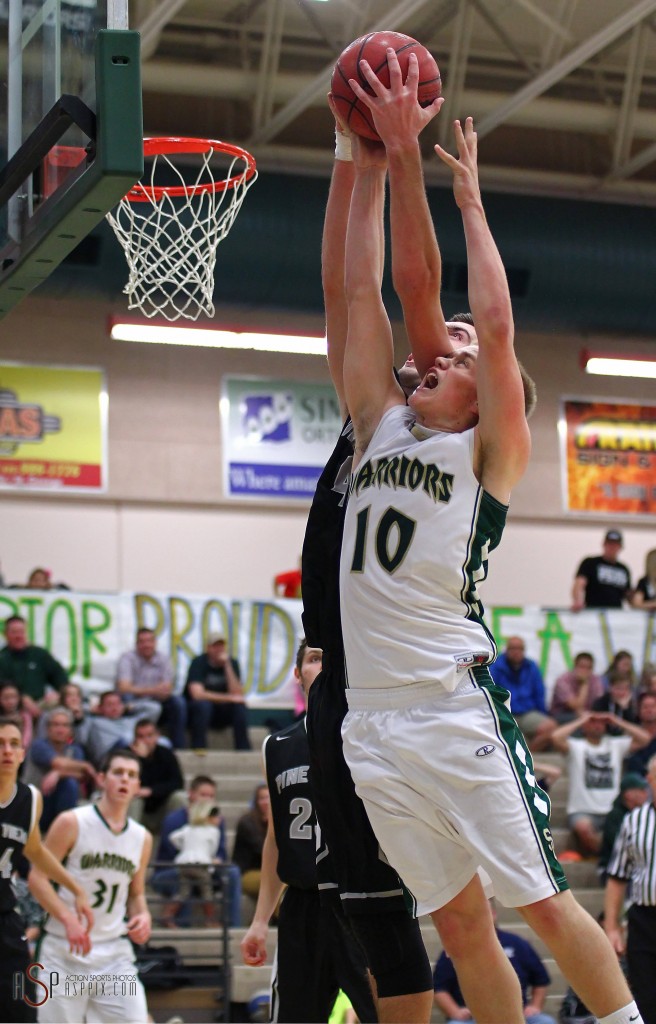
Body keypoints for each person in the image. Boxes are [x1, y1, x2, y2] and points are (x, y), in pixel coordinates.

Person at [339, 49, 642, 1024]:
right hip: (369, 723)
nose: (443, 344)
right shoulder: (380, 419)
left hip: (445, 705)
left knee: (541, 904)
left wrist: (467, 199)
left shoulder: (490, 456)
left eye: (459, 347)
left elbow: (496, 334)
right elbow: (368, 294)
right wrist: (369, 163)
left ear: (496, 392)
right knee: (460, 930)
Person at [303, 58, 460, 1023]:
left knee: (440, 913)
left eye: (446, 360)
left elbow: (403, 290)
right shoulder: (377, 425)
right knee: (361, 910)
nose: (427, 358)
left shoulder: (448, 444)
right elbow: (346, 294)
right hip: (345, 684)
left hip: (406, 689)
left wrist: (398, 159)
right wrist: (350, 158)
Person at [241, 639, 377, 1023]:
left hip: (359, 899)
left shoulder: (368, 734)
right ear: (298, 674)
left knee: (385, 1012)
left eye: (329, 658)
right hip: (302, 906)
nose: (322, 665)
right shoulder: (277, 745)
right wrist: (259, 920)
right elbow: (275, 839)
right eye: (314, 658)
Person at [29, 747, 152, 1024]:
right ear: (101, 778)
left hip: (114, 955)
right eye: (118, 772)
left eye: (131, 775)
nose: (124, 779)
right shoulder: (71, 822)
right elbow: (37, 878)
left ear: (138, 786)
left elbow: (136, 893)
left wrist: (143, 915)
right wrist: (67, 918)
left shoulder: (141, 837)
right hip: (64, 951)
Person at [0, 716, 93, 1023]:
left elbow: (35, 849)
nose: (7, 751)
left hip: (5, 917)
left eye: (14, 744)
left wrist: (76, 888)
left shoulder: (30, 799)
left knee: (22, 1009)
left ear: (24, 752)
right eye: (0, 744)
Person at [433, 901, 556, 1024]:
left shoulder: (517, 944)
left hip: (518, 1014)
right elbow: (439, 988)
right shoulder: (456, 948)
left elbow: (540, 980)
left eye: (482, 913)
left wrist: (535, 1006)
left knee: (545, 1021)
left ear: (493, 914)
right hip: (471, 1018)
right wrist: (455, 1012)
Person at [550, 711, 650, 857]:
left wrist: (616, 720)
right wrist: (581, 719)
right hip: (583, 809)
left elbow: (645, 738)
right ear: (584, 726)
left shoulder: (615, 744)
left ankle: (612, 860)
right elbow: (555, 737)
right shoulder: (575, 746)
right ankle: (608, 858)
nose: (597, 725)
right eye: (593, 722)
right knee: (583, 829)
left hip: (613, 808)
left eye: (601, 722)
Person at [604, 754, 656, 1024]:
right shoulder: (633, 821)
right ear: (650, 780)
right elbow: (617, 876)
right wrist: (612, 926)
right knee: (645, 994)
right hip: (643, 918)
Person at [152, 773, 241, 928]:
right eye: (203, 794)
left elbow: (220, 851)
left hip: (205, 867)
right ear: (191, 794)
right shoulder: (174, 820)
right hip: (173, 869)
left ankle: (233, 927)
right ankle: (181, 926)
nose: (207, 799)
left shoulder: (216, 821)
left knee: (232, 872)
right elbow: (170, 853)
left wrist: (217, 859)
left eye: (211, 796)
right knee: (186, 875)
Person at [22, 707, 97, 831]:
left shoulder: (75, 750)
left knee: (69, 784)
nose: (60, 729)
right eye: (55, 725)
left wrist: (58, 774)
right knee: (69, 782)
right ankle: (64, 831)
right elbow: (59, 763)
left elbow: (82, 775)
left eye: (65, 725)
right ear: (48, 728)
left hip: (62, 801)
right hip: (35, 803)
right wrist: (86, 765)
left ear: (71, 730)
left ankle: (65, 831)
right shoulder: (39, 745)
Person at [117, 626, 187, 749]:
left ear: (155, 642)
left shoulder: (164, 659)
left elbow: (166, 690)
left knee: (178, 702)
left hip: (156, 701)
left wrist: (139, 689)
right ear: (136, 644)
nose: (146, 645)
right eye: (142, 642)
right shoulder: (127, 658)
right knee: (127, 697)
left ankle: (179, 747)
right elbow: (124, 688)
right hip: (134, 702)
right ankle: (133, 738)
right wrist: (154, 690)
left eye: (149, 641)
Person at [184, 633, 251, 750]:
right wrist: (228, 698)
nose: (219, 649)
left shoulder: (232, 663)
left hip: (222, 712)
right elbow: (197, 694)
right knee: (204, 706)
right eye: (215, 646)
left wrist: (227, 666)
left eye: (221, 646)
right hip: (201, 711)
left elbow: (237, 694)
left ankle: (243, 749)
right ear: (208, 648)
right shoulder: (198, 663)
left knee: (239, 708)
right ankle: (199, 747)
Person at [489, 637, 556, 751]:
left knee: (550, 726)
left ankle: (529, 755)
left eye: (520, 648)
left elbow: (539, 693)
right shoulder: (496, 667)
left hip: (528, 713)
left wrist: (542, 714)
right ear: (507, 650)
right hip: (506, 713)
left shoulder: (532, 666)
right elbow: (491, 693)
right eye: (513, 648)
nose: (516, 652)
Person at [164, 798, 222, 927]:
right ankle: (210, 919)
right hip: (200, 864)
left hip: (184, 864)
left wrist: (184, 848)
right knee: (207, 891)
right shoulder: (213, 831)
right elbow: (212, 850)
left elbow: (173, 837)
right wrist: (211, 859)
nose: (219, 819)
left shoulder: (188, 828)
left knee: (183, 891)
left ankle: (168, 916)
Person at [0, 615, 66, 722]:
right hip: (13, 709)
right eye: (14, 632)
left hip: (41, 706)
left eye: (21, 631)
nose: (18, 636)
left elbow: (61, 678)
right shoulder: (2, 658)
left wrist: (57, 694)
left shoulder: (39, 654)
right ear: (6, 634)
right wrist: (22, 699)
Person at [129, 717, 185, 832]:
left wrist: (151, 791)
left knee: (179, 797)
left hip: (161, 810)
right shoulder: (127, 756)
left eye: (149, 736)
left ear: (157, 736)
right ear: (135, 739)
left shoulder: (166, 754)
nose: (145, 741)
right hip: (137, 810)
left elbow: (177, 782)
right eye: (141, 736)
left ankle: (173, 843)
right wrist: (141, 759)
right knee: (135, 800)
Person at [598, 773, 649, 881]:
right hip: (612, 869)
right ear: (628, 794)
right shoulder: (615, 816)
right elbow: (619, 844)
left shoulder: (643, 815)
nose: (645, 793)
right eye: (641, 790)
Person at [572, 531, 632, 611]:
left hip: (616, 614)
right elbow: (579, 584)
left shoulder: (623, 569)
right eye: (609, 544)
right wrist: (578, 601)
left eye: (615, 545)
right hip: (593, 611)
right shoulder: (590, 563)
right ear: (604, 544)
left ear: (620, 547)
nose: (612, 547)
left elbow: (628, 595)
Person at [232, 782, 269, 900]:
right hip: (248, 872)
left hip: (269, 871)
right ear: (256, 802)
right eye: (262, 798)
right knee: (275, 882)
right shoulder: (247, 822)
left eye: (269, 798)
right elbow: (263, 849)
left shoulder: (279, 821)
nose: (267, 802)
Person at [85, 689, 140, 768]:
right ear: (100, 707)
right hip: (107, 758)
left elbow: (153, 709)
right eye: (109, 704)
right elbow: (79, 717)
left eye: (118, 704)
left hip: (133, 752)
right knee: (126, 738)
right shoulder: (93, 722)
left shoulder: (131, 721)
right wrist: (90, 709)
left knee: (161, 741)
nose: (114, 708)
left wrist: (132, 706)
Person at [549, 652, 605, 724]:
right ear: (575, 666)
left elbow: (599, 702)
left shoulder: (596, 680)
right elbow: (576, 706)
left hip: (587, 714)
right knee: (580, 721)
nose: (585, 671)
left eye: (589, 668)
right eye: (582, 667)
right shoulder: (563, 680)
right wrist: (584, 684)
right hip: (563, 714)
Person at [624, 692, 656, 777]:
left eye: (653, 706)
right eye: (645, 707)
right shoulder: (630, 735)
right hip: (636, 783)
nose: (649, 710)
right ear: (638, 710)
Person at [0, 680, 33, 748]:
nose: (10, 701)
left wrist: (19, 746)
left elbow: (27, 736)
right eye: (6, 698)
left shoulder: (24, 716)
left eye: (14, 697)